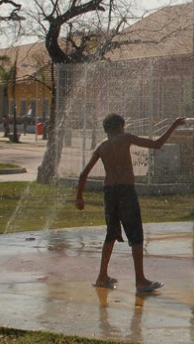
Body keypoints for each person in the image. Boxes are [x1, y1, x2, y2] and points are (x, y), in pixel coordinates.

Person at [75, 113, 186, 292]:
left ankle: (102, 276)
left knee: (111, 234)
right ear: (120, 127)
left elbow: (83, 174)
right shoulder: (125, 138)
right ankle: (140, 280)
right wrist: (173, 125)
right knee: (135, 234)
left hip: (109, 193)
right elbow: (157, 144)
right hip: (126, 191)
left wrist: (79, 197)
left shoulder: (101, 147)